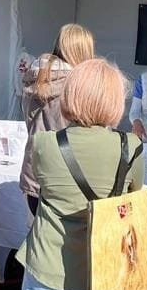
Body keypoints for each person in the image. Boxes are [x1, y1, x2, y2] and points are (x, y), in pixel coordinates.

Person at [16, 59, 145, 290]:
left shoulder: (45, 144)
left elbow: (43, 189)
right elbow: (131, 201)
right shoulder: (131, 147)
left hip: (47, 265)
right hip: (100, 273)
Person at [20, 23, 95, 216]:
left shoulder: (35, 76)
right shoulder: (77, 87)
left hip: (35, 170)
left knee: (39, 230)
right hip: (67, 175)